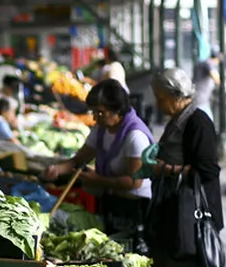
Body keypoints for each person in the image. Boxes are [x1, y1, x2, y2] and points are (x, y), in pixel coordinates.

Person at [146, 68, 223, 267]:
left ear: (173, 96)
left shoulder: (198, 120)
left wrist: (166, 169)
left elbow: (208, 168)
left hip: (195, 213)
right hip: (177, 208)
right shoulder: (179, 118)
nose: (158, 103)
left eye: (160, 97)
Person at [44, 80, 152, 235]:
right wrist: (57, 169)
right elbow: (79, 160)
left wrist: (98, 180)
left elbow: (134, 182)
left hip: (133, 208)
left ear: (118, 110)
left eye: (100, 112)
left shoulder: (135, 136)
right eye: (93, 112)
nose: (95, 118)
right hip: (110, 201)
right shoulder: (101, 129)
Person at [192, 51, 221, 120]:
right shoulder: (209, 63)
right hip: (200, 99)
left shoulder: (203, 62)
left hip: (199, 98)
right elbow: (216, 78)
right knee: (208, 122)